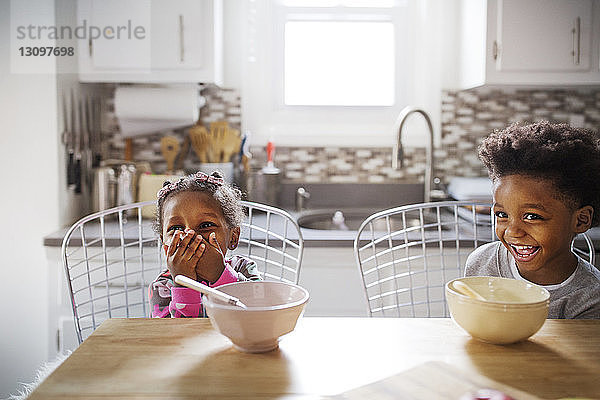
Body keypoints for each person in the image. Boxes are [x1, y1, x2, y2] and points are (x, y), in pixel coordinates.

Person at [465, 121, 600, 319]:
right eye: (502, 215)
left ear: (580, 220)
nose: (512, 232)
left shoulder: (590, 298)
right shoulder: (483, 265)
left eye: (532, 216)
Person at [149, 170, 261, 318]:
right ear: (165, 245)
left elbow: (258, 314)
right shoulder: (162, 286)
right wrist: (184, 285)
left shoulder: (244, 268)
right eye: (176, 228)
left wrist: (220, 274)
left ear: (233, 236)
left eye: (205, 225)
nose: (189, 235)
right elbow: (173, 336)